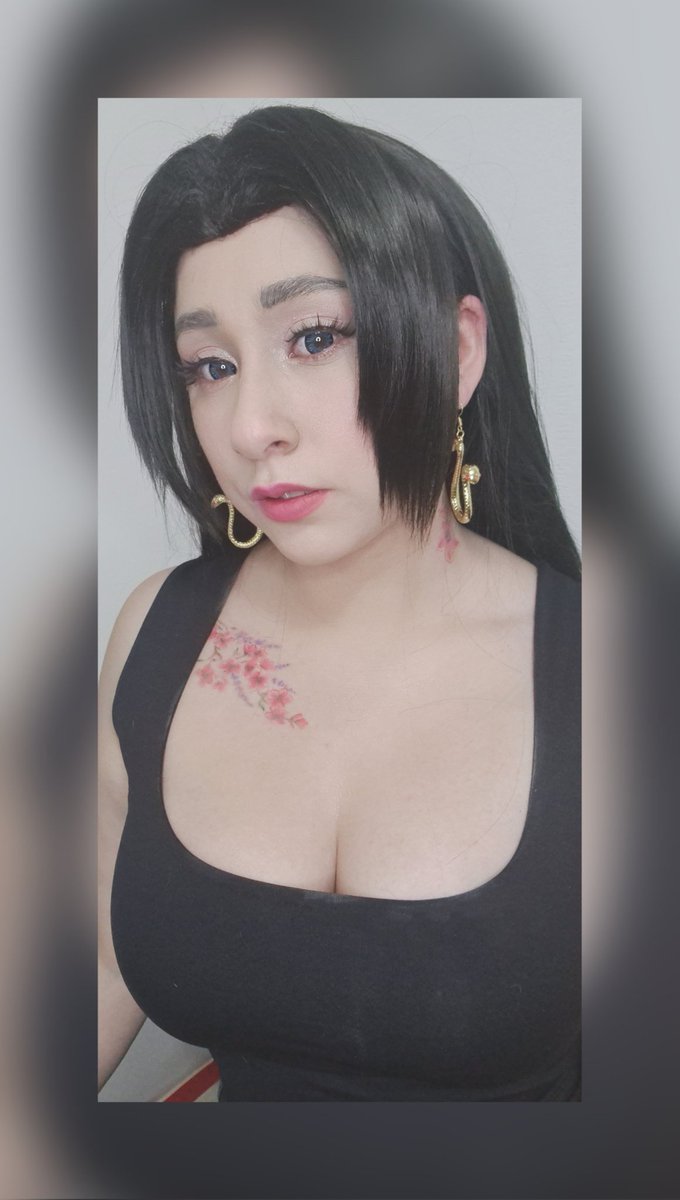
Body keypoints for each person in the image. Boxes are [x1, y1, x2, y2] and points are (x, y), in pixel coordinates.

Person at [98, 104, 581, 1101]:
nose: (251, 426)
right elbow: (95, 968)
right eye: (211, 366)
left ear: (456, 350)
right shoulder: (157, 634)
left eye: (314, 337)